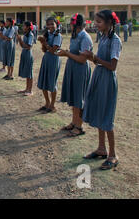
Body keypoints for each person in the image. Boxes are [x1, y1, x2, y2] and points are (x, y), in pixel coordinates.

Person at [81, 10, 122, 170]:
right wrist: (91, 57)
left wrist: (95, 58)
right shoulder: (104, 37)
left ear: (109, 23)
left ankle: (113, 155)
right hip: (99, 76)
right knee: (99, 112)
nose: (96, 24)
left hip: (107, 80)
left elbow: (112, 66)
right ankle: (101, 148)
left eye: (99, 22)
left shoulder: (115, 40)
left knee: (106, 116)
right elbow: (100, 60)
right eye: (95, 21)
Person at [56, 14, 93, 137]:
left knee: (79, 98)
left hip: (80, 70)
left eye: (72, 22)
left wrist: (66, 53)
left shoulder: (85, 37)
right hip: (72, 68)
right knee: (73, 97)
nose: (70, 25)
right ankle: (74, 121)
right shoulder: (75, 35)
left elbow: (82, 59)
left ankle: (79, 126)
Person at [37, 17, 63, 113]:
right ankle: (47, 103)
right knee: (44, 81)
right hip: (46, 59)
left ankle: (52, 105)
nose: (50, 26)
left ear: (56, 24)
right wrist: (42, 43)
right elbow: (45, 50)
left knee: (52, 82)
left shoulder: (58, 35)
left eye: (52, 24)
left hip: (54, 59)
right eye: (48, 24)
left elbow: (53, 50)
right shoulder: (47, 34)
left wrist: (44, 42)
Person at [16, 22, 34, 96]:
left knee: (29, 73)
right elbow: (22, 46)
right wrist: (19, 40)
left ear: (28, 27)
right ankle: (27, 88)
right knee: (27, 72)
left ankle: (30, 90)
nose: (23, 27)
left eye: (24, 26)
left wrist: (21, 40)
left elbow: (28, 46)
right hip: (24, 53)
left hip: (28, 54)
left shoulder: (30, 35)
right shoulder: (25, 35)